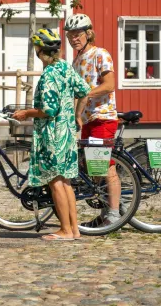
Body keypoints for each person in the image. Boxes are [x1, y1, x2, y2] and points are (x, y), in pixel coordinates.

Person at [11, 28, 90, 241]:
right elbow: (84, 90)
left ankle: (64, 230)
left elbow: (49, 110)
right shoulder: (65, 66)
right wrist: (77, 115)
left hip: (52, 134)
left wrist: (25, 113)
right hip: (67, 133)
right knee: (65, 182)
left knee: (55, 181)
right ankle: (74, 230)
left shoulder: (48, 75)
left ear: (40, 51)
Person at [65, 13, 121, 227]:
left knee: (105, 165)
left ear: (88, 33)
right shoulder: (77, 60)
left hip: (103, 116)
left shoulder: (100, 54)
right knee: (92, 167)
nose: (73, 39)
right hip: (86, 119)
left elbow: (109, 85)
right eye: (70, 35)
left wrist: (87, 94)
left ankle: (114, 214)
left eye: (77, 34)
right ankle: (111, 209)